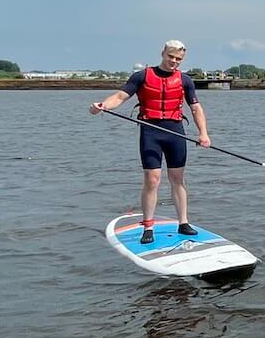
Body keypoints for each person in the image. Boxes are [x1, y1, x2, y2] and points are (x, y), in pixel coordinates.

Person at [90, 40, 212, 243]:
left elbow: (196, 108)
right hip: (151, 132)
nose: (174, 61)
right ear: (163, 53)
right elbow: (120, 97)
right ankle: (148, 226)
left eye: (178, 59)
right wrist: (102, 105)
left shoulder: (185, 80)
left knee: (177, 178)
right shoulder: (142, 76)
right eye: (171, 57)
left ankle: (183, 223)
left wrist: (204, 134)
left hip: (175, 131)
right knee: (152, 179)